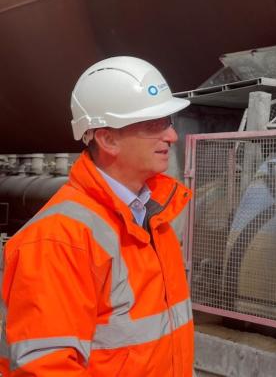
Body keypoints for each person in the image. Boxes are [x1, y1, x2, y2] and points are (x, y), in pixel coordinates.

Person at [0, 56, 194, 376]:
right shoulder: (58, 240)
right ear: (107, 139)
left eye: (168, 121)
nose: (172, 136)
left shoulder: (154, 221)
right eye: (153, 124)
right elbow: (47, 369)